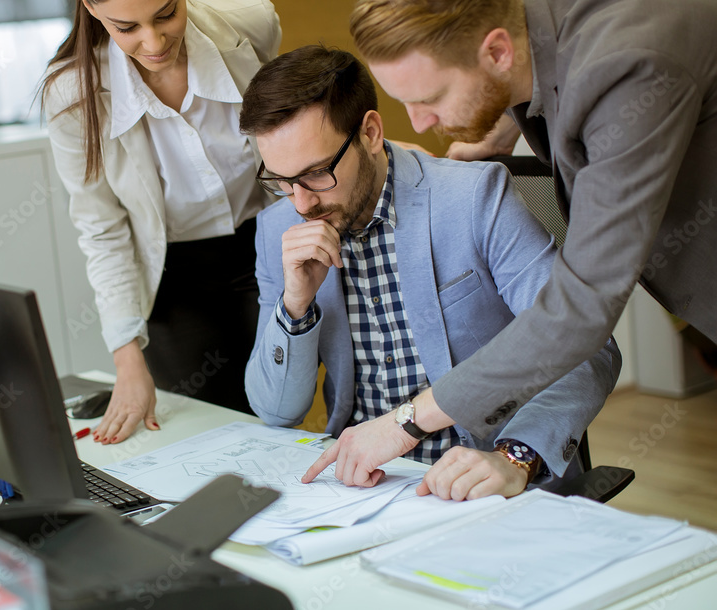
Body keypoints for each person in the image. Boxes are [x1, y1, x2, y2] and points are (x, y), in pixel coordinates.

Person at [338, 0, 717, 475]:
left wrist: (407, 421)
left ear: (496, 52)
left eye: (431, 98)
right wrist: (493, 128)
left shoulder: (631, 69)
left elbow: (580, 309)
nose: (419, 123)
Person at [239, 46, 620, 497]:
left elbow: (587, 346)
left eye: (318, 173)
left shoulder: (473, 198)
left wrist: (513, 456)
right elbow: (276, 411)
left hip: (480, 474)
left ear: (370, 133)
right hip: (361, 486)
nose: (301, 203)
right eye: (281, 182)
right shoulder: (278, 230)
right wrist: (295, 306)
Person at [41, 0, 281, 444]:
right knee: (212, 428)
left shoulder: (251, 21)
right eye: (126, 27)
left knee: (283, 412)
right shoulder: (72, 97)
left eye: (166, 13)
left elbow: (291, 129)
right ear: (88, 5)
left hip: (268, 243)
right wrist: (126, 358)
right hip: (174, 275)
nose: (153, 42)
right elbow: (102, 229)